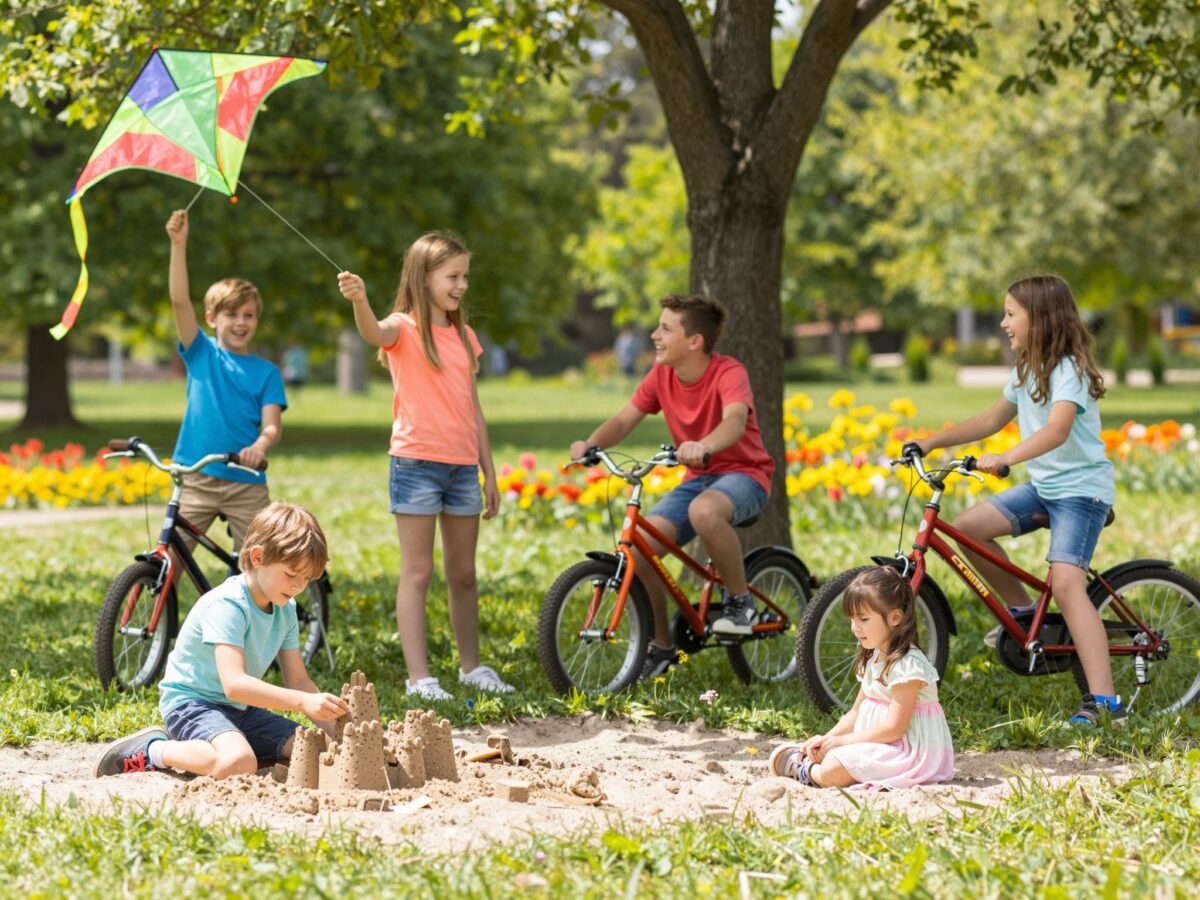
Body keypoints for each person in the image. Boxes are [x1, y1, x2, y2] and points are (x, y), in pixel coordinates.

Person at [912, 274, 1121, 725]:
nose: (1004, 323)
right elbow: (991, 418)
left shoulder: (1069, 370)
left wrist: (1006, 457)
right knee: (967, 529)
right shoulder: (1026, 369)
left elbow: (1057, 429)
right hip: (1046, 487)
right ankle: (1028, 614)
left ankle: (1105, 703)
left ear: (1039, 317)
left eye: (1011, 314)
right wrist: (932, 442)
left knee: (1067, 585)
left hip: (1081, 492)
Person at [337, 232, 512, 701]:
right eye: (453, 277)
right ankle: (421, 679)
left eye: (465, 276)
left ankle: (472, 668)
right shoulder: (403, 327)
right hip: (415, 464)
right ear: (425, 277)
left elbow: (473, 410)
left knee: (463, 573)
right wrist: (360, 301)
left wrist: (488, 471)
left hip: (460, 469)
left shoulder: (464, 336)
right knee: (418, 573)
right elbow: (372, 332)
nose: (462, 286)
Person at [569, 294, 774, 680]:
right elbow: (625, 418)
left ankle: (740, 602)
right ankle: (662, 646)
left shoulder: (729, 373)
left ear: (694, 341)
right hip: (698, 477)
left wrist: (705, 445)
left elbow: (734, 420)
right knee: (642, 552)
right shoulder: (661, 376)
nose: (654, 335)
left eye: (665, 328)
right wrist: (590, 445)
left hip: (746, 474)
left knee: (704, 511)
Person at [95, 503, 350, 779]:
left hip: (241, 711)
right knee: (238, 763)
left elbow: (298, 681)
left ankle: (229, 742)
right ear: (258, 557)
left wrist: (343, 735)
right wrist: (302, 703)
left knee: (317, 749)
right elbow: (234, 685)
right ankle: (153, 750)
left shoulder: (286, 609)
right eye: (291, 574)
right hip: (192, 705)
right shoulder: (229, 605)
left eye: (307, 579)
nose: (298, 586)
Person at [164, 209, 286, 550]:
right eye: (231, 314)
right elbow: (178, 300)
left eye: (249, 315)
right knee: (170, 557)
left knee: (258, 563)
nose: (240, 322)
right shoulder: (202, 352)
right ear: (212, 319)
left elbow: (272, 427)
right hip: (195, 477)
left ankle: (257, 604)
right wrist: (178, 244)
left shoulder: (267, 373)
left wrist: (259, 447)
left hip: (245, 482)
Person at [768, 567, 954, 789]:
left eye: (863, 619)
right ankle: (812, 762)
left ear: (895, 617)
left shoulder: (907, 665)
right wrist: (827, 739)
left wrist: (841, 742)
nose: (855, 628)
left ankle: (805, 771)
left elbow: (895, 728)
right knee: (834, 756)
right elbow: (856, 712)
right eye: (852, 619)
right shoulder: (875, 656)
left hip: (910, 752)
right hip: (882, 745)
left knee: (833, 770)